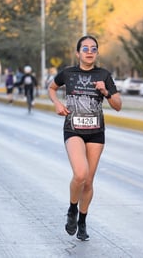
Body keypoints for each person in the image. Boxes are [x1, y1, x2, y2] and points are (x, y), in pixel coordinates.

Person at [48, 35, 122, 241]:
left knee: (88, 181)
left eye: (93, 49)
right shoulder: (68, 73)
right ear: (78, 52)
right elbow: (52, 88)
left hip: (96, 132)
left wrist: (105, 91)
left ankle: (82, 221)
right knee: (80, 174)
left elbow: (118, 105)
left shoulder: (104, 75)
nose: (89, 52)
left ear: (97, 53)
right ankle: (72, 209)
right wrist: (56, 103)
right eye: (85, 48)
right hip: (73, 129)